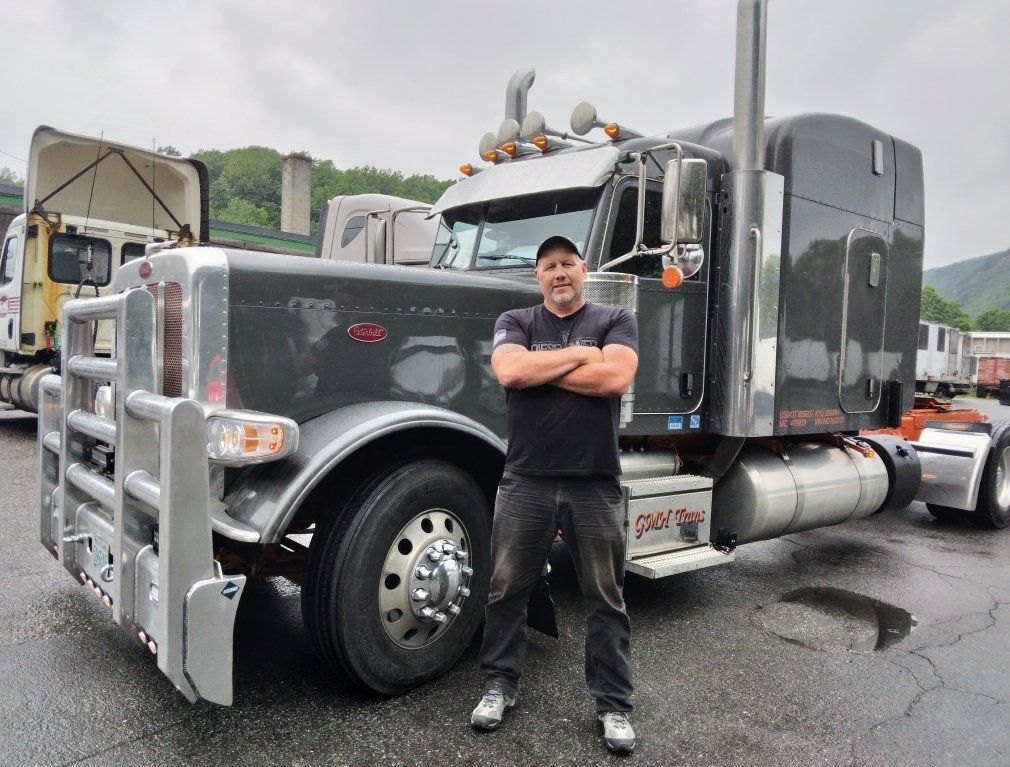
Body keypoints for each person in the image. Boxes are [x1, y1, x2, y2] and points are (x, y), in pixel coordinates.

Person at [470, 235, 640, 753]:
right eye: (549, 266)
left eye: (568, 263)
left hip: (595, 481)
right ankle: (498, 685)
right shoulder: (516, 320)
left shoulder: (616, 319)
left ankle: (613, 705)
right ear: (538, 276)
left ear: (584, 269)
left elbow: (615, 379)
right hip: (526, 479)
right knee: (506, 590)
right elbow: (509, 370)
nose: (559, 272)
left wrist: (540, 372)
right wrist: (581, 356)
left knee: (605, 598)